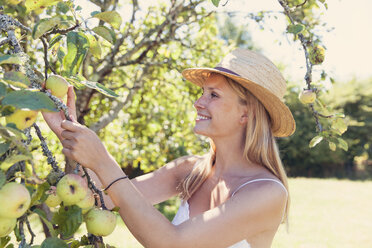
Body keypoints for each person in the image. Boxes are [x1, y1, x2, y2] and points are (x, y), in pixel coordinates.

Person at [43, 48, 296, 248]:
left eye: (214, 95)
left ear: (247, 113)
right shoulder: (190, 171)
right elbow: (104, 197)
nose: (199, 102)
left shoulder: (267, 193)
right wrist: (68, 129)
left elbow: (172, 243)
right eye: (202, 92)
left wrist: (103, 161)